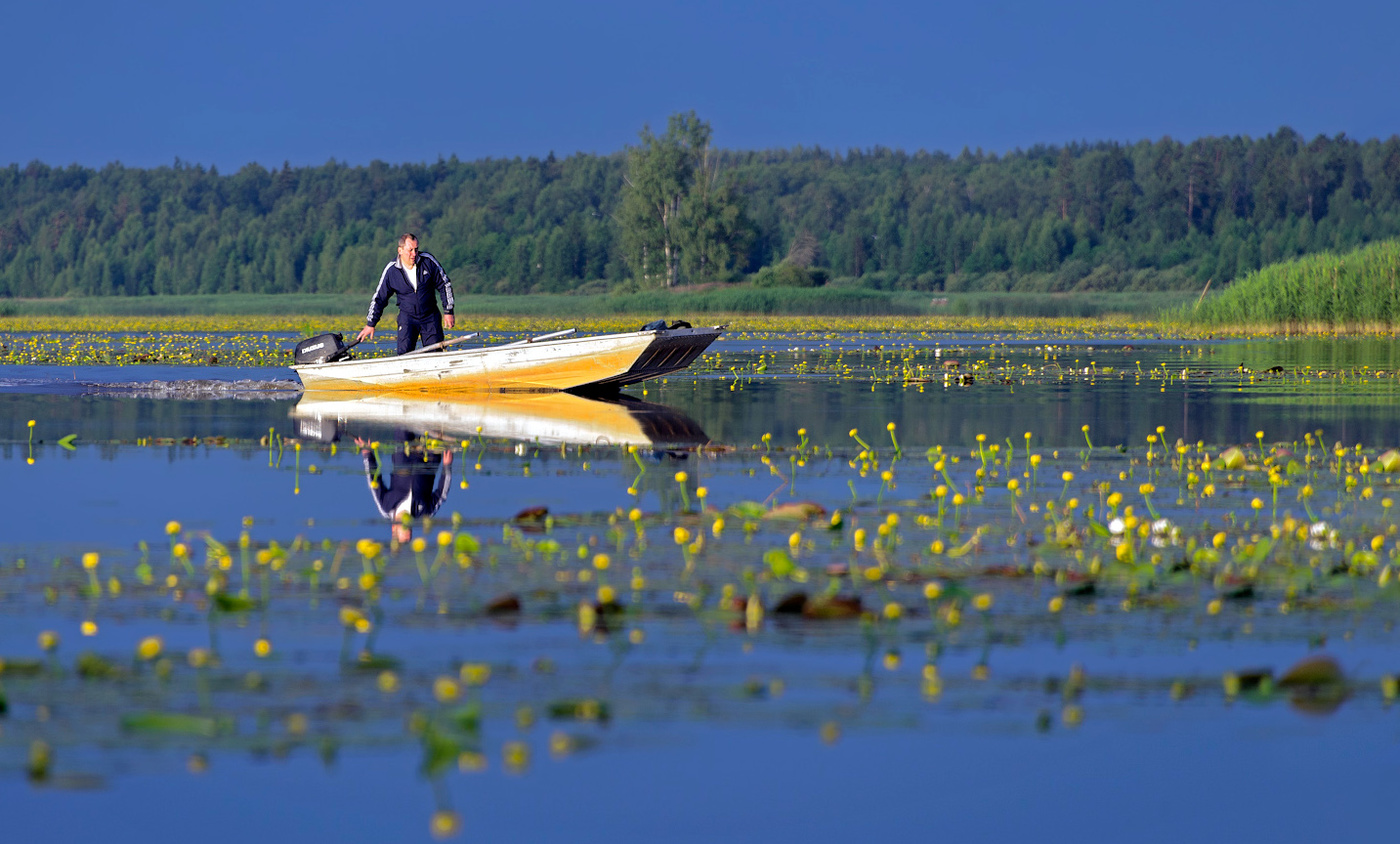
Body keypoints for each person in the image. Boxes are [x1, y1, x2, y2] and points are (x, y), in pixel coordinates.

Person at [356, 233, 456, 355]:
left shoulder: (428, 261)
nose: (414, 254)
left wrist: (448, 311)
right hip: (407, 318)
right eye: (410, 250)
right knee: (404, 354)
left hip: (430, 317)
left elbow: (444, 284)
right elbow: (379, 298)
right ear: (400, 250)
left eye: (416, 249)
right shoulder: (391, 270)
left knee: (435, 353)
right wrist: (371, 324)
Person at [356, 435, 454, 545]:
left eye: (404, 526)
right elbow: (442, 494)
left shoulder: (386, 507)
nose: (408, 523)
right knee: (436, 431)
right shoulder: (424, 514)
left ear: (394, 527)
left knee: (403, 426)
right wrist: (447, 466)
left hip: (402, 454)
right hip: (429, 460)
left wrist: (367, 454)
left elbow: (374, 482)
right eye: (409, 528)